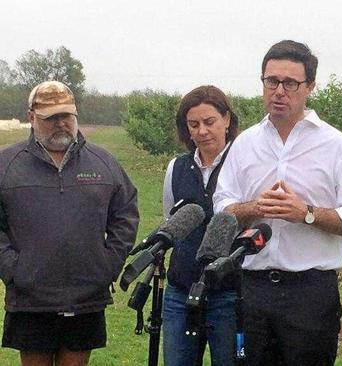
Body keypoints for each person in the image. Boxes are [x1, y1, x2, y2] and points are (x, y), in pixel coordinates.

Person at [213, 40, 342, 365]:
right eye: (271, 81)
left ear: (310, 87)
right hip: (254, 288)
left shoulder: (337, 147)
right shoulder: (244, 145)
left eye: (290, 83)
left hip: (310, 294)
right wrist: (255, 208)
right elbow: (222, 207)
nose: (279, 91)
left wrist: (307, 214)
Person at [0, 81, 139, 365]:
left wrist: (107, 264)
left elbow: (126, 213)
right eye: (50, 118)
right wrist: (14, 268)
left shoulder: (103, 162)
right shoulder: (8, 164)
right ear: (31, 118)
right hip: (31, 298)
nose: (60, 124)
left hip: (85, 296)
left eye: (66, 116)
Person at [161, 85, 239, 366]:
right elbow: (171, 221)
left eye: (209, 122)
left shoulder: (244, 164)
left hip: (228, 293)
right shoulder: (177, 168)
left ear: (227, 120)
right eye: (193, 125)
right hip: (181, 290)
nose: (202, 131)